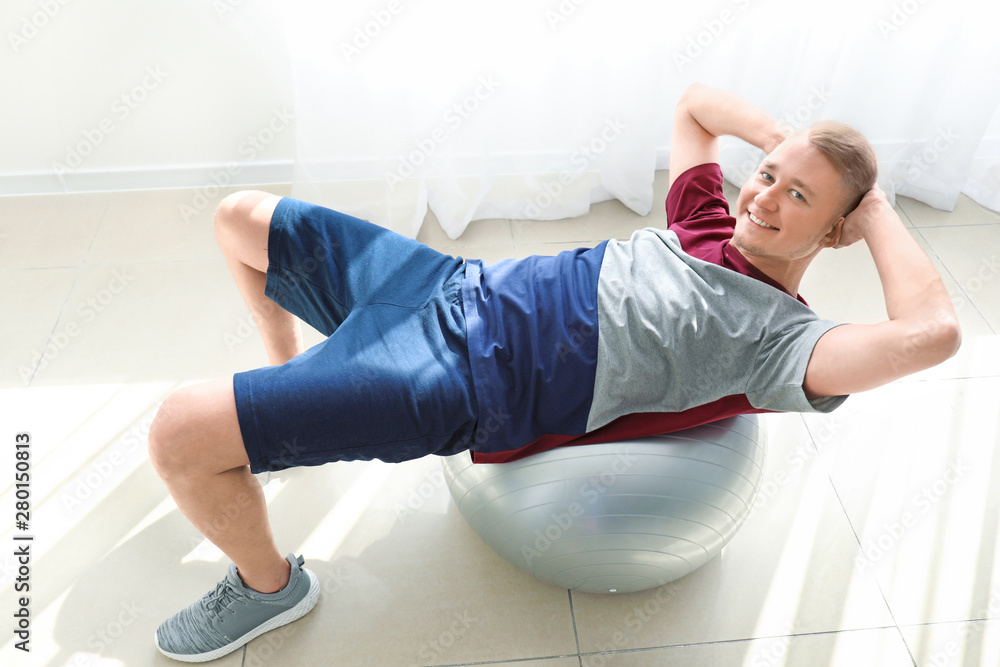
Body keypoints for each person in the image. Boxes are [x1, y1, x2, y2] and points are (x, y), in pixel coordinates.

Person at [148, 83, 961, 662]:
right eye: (767, 175)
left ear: (838, 227)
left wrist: (878, 206)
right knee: (240, 218)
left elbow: (932, 333)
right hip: (446, 284)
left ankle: (269, 587)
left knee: (180, 431)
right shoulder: (704, 219)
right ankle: (286, 370)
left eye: (799, 197)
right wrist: (791, 142)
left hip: (457, 376)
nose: (765, 197)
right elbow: (695, 103)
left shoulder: (781, 342)